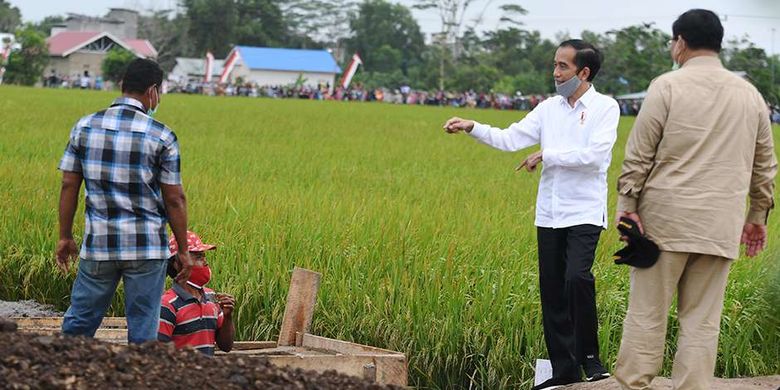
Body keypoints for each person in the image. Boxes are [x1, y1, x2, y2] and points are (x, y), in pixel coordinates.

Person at [613, 9, 777, 390]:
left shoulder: (667, 87)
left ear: (681, 43)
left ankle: (634, 384)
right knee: (702, 319)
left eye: (673, 42)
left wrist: (627, 209)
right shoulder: (751, 95)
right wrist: (756, 216)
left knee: (647, 313)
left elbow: (639, 155)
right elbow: (765, 165)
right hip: (720, 224)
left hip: (663, 223)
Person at [443, 39, 619, 390]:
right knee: (552, 291)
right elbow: (510, 138)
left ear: (583, 72)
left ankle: (591, 360)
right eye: (555, 65)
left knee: (577, 278)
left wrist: (547, 155)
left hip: (584, 210)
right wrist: (472, 126)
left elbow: (595, 157)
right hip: (550, 213)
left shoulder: (605, 107)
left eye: (563, 67)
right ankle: (564, 370)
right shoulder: (548, 109)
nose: (555, 73)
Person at [56, 58, 194, 344]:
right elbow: (175, 198)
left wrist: (65, 236)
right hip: (146, 247)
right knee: (144, 326)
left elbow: (69, 183)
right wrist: (182, 249)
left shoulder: (84, 126)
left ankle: (61, 374)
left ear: (122, 86)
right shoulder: (162, 135)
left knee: (80, 320)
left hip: (99, 245)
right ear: (153, 91)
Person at [158, 231, 236, 355]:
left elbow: (226, 346)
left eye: (204, 256)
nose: (205, 262)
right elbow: (159, 354)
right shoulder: (167, 305)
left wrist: (227, 317)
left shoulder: (211, 297)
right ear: (178, 264)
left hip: (206, 373)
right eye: (198, 257)